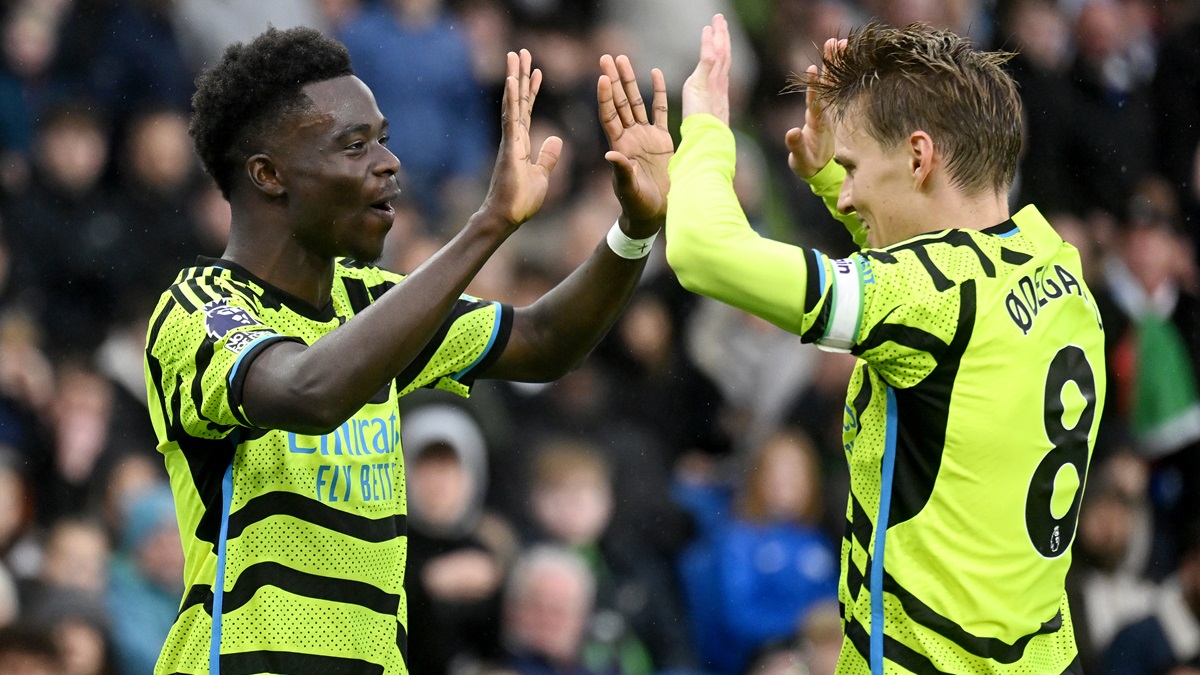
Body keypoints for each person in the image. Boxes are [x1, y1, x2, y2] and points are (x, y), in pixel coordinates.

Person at [142, 25, 671, 675]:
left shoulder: (372, 302)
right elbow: (307, 391)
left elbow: (542, 342)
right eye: (355, 145)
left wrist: (635, 230)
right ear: (269, 174)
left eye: (384, 140)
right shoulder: (199, 309)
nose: (388, 164)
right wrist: (488, 224)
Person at [665, 14, 1106, 674]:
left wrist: (704, 127)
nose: (843, 191)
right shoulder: (1060, 267)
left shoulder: (927, 298)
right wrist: (828, 177)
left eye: (851, 168)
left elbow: (703, 253)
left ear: (920, 157)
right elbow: (925, 273)